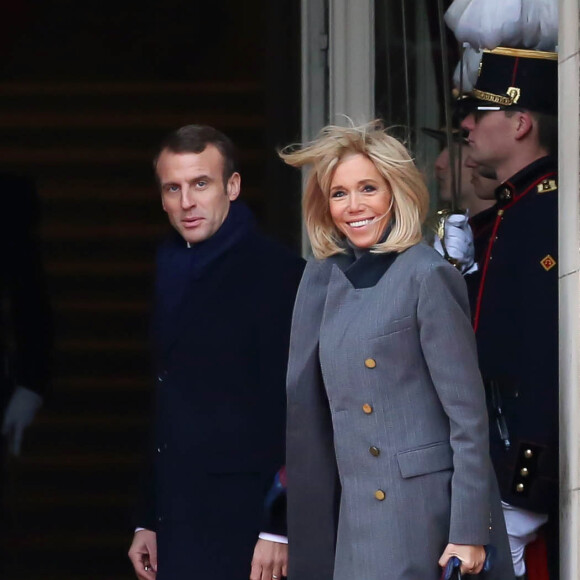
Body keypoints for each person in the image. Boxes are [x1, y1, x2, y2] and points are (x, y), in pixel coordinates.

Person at [279, 121, 513, 580]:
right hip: (351, 518)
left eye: (368, 188)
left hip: (419, 516)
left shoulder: (426, 275)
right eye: (339, 193)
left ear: (395, 191)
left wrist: (469, 530)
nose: (354, 206)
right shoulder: (322, 282)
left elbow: (467, 417)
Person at [128, 125, 304, 580]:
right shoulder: (168, 267)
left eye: (200, 184)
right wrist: (148, 518)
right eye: (173, 188)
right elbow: (167, 400)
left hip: (250, 529)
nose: (187, 201)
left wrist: (280, 528)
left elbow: (299, 409)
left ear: (233, 186)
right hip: (178, 521)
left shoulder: (279, 274)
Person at [457, 47, 559, 580]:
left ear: (520, 123)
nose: (467, 124)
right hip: (491, 461)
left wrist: (525, 483)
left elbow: (548, 353)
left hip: (524, 470)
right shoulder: (509, 212)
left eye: (483, 111)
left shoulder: (546, 215)